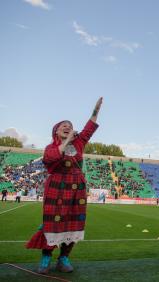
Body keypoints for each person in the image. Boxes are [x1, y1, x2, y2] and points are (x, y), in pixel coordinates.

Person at [26, 97, 103, 274]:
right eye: (63, 125)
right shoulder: (50, 147)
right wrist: (66, 141)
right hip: (57, 188)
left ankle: (64, 258)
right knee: (53, 224)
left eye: (70, 125)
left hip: (77, 188)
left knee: (74, 224)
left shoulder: (79, 143)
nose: (68, 126)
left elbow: (89, 128)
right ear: (56, 132)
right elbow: (51, 159)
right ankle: (46, 258)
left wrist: (96, 110)